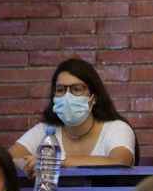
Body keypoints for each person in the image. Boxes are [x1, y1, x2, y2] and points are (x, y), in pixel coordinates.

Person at [9, 58, 137, 177]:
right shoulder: (45, 130)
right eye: (60, 90)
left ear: (94, 97)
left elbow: (121, 162)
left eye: (77, 89)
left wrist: (57, 162)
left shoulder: (116, 128)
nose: (67, 97)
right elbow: (8, 159)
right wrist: (28, 165)